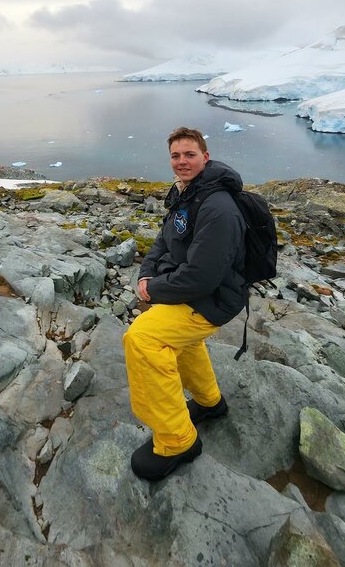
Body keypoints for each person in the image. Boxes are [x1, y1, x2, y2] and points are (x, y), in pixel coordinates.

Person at [123, 126, 246, 481]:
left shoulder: (218, 206)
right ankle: (210, 403)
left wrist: (155, 290)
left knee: (143, 338)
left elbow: (202, 277)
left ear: (205, 158)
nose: (181, 162)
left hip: (213, 299)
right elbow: (164, 241)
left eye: (189, 154)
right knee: (178, 337)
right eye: (176, 155)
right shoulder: (186, 193)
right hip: (192, 291)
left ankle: (179, 441)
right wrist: (146, 276)